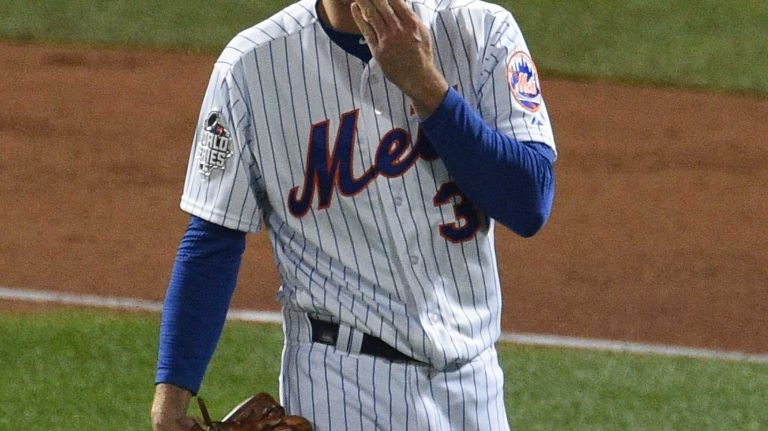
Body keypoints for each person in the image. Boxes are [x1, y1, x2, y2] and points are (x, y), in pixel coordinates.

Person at [150, 0, 557, 429]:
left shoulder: (482, 31)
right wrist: (171, 398)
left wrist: (427, 87)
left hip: (474, 385)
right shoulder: (250, 68)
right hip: (340, 384)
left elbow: (528, 203)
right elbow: (214, 239)